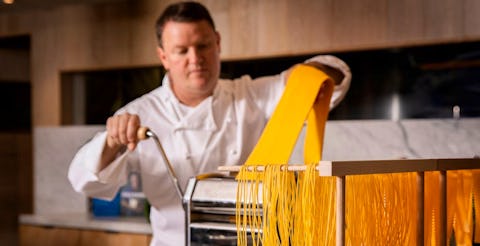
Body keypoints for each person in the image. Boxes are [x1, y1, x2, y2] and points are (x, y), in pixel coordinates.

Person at [68, 1, 351, 245]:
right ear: (164, 57)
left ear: (217, 43)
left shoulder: (250, 96)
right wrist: (112, 141)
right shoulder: (141, 115)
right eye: (182, 50)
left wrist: (311, 75)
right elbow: (85, 181)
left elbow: (328, 84)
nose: (196, 59)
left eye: (203, 45)